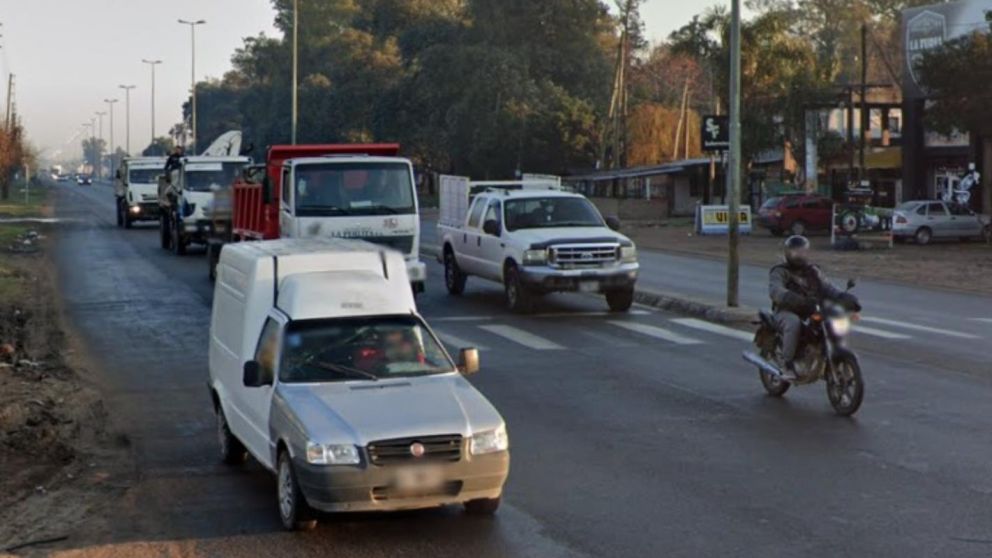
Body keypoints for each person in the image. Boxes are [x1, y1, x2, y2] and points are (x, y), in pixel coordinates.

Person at [768, 236, 860, 379]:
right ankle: (787, 364)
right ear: (787, 252)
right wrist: (793, 298)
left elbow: (828, 287)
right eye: (795, 252)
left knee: (832, 318)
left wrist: (845, 297)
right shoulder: (780, 271)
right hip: (787, 310)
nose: (799, 255)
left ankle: (830, 353)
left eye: (803, 252)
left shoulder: (813, 271)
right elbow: (776, 290)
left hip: (811, 309)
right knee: (793, 323)